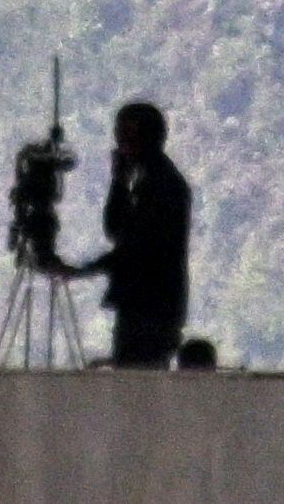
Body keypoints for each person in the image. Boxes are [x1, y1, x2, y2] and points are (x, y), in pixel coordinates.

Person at [92, 99, 194, 369]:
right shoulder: (144, 182)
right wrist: (119, 183)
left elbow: (136, 248)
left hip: (153, 310)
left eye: (127, 136)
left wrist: (83, 270)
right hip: (140, 307)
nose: (121, 145)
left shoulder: (165, 186)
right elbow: (115, 228)